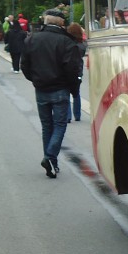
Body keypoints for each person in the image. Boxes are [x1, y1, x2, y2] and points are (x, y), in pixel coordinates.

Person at [21, 9, 83, 179]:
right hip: (60, 88)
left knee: (47, 126)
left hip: (41, 88)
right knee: (60, 125)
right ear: (61, 23)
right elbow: (72, 69)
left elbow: (24, 65)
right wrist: (73, 89)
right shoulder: (66, 42)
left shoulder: (32, 39)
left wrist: (35, 79)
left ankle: (51, 162)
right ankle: (50, 157)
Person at [65, 22, 87, 123]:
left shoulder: (67, 44)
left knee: (66, 92)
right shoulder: (81, 45)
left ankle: (68, 116)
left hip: (68, 69)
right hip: (78, 70)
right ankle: (77, 115)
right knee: (76, 93)